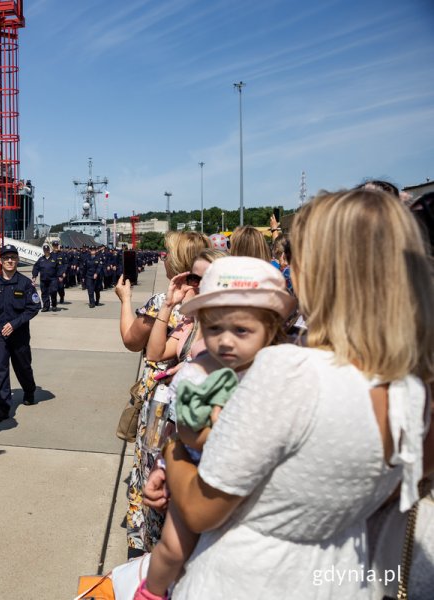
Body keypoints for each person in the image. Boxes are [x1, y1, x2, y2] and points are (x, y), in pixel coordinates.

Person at [161, 189, 434, 599]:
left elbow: (201, 508)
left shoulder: (289, 372)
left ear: (319, 273)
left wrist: (173, 451)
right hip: (343, 580)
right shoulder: (416, 391)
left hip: (250, 579)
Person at [136, 257, 294, 600]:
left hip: (251, 492)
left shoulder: (277, 372)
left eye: (241, 331)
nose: (224, 342)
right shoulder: (197, 371)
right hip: (193, 471)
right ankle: (150, 592)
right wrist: (164, 466)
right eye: (213, 329)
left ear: (271, 328)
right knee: (173, 549)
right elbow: (184, 432)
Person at [121, 232, 210, 555]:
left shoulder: (169, 303)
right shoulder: (184, 306)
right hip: (170, 408)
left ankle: (150, 551)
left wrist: (126, 301)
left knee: (154, 475)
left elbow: (133, 342)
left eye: (168, 254)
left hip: (165, 408)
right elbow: (158, 351)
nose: (163, 258)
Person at [0, 244, 40, 423]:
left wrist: (14, 324)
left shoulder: (25, 283)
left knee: (23, 367)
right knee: (0, 370)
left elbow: (34, 307)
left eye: (13, 258)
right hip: (0, 335)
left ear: (17, 260)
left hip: (20, 336)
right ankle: (2, 406)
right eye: (6, 258)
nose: (10, 261)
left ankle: (29, 389)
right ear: (0, 261)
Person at [31, 243, 59, 312]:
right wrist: (34, 276)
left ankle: (54, 305)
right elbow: (36, 268)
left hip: (53, 279)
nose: (46, 251)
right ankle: (46, 307)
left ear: (49, 250)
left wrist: (60, 275)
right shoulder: (41, 259)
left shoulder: (54, 258)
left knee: (53, 291)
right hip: (44, 279)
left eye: (47, 250)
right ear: (43, 251)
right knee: (44, 293)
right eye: (45, 250)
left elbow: (59, 267)